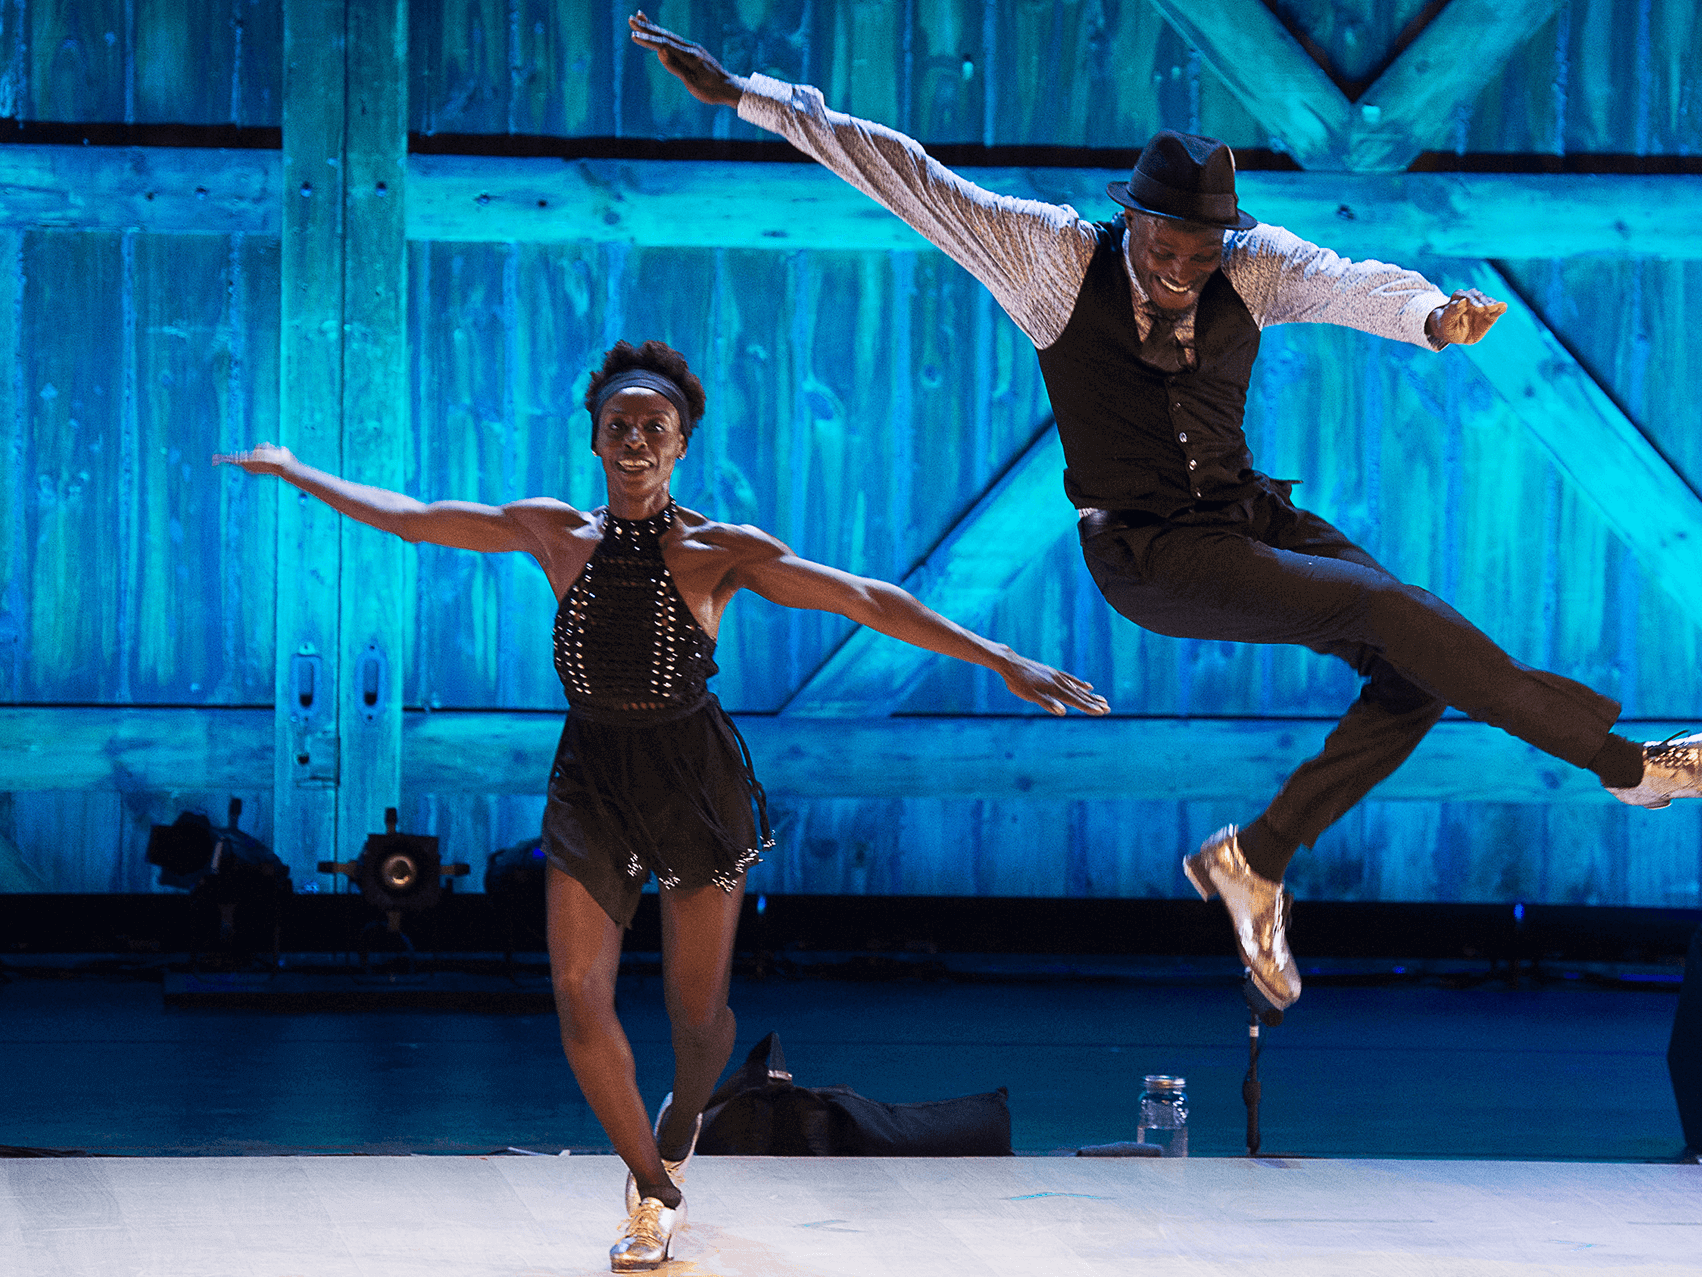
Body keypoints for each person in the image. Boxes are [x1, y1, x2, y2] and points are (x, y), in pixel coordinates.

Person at [630, 14, 1702, 1013]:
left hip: (1246, 518)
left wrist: (1431, 315)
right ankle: (1626, 766)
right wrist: (747, 96)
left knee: (1415, 657)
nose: (1180, 272)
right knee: (1391, 608)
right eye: (1163, 249)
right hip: (1147, 554)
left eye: (1199, 253)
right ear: (1129, 222)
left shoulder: (1250, 262)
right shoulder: (1048, 259)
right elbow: (907, 173)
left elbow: (1347, 281)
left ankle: (1257, 857)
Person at [216, 339, 1108, 1271]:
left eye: (655, 427)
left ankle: (684, 1113)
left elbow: (865, 599)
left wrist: (1002, 659)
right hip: (592, 777)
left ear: (681, 445)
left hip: (693, 781)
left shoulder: (718, 550)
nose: (636, 439)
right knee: (575, 993)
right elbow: (413, 518)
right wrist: (293, 471)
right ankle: (651, 1182)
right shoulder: (555, 531)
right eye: (620, 426)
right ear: (596, 441)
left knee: (696, 1022)